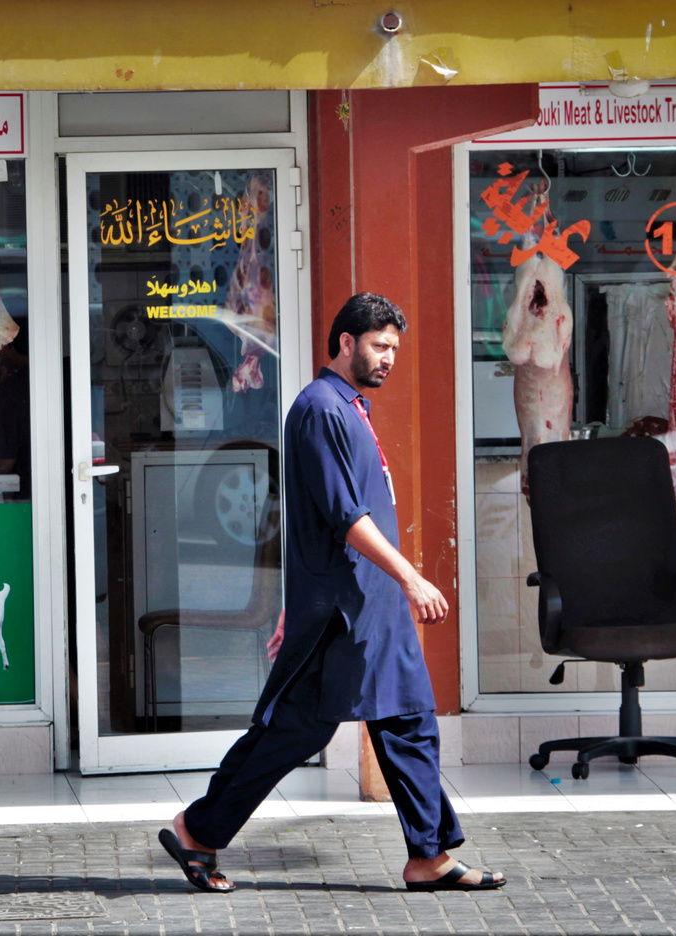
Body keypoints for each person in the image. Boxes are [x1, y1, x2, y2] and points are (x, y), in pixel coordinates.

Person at [160, 293, 505, 894]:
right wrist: (410, 576)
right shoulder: (321, 409)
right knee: (299, 731)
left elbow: (323, 522)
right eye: (379, 345)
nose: (389, 357)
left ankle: (429, 857)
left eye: (395, 347)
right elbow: (345, 517)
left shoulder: (350, 408)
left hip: (370, 607)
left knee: (409, 722)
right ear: (345, 342)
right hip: (346, 615)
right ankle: (198, 829)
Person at [0, 327, 32, 496]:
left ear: (12, 348)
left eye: (0, 346)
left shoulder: (10, 390)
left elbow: (1, 464)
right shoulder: (68, 376)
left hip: (31, 502)